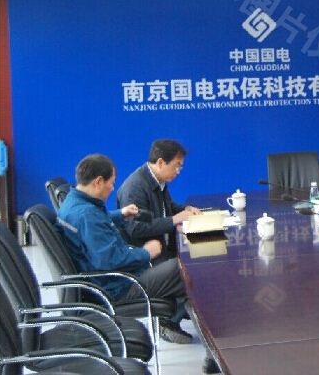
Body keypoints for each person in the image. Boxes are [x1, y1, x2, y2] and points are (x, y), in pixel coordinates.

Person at [57, 154, 221, 373]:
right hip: (118, 288)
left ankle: (209, 349)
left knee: (185, 282)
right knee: (186, 270)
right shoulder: (87, 215)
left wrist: (120, 214)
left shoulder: (73, 202)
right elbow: (110, 260)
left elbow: (97, 221)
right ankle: (215, 351)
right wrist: (146, 253)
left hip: (104, 282)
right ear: (98, 181)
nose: (113, 189)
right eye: (111, 183)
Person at [116, 139, 202, 343]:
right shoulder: (136, 187)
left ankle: (186, 311)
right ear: (161, 162)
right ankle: (168, 321)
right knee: (190, 269)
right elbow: (135, 228)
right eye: (177, 166)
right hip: (145, 255)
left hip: (162, 246)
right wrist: (175, 220)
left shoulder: (157, 181)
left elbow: (167, 207)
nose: (179, 171)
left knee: (199, 258)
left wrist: (185, 210)